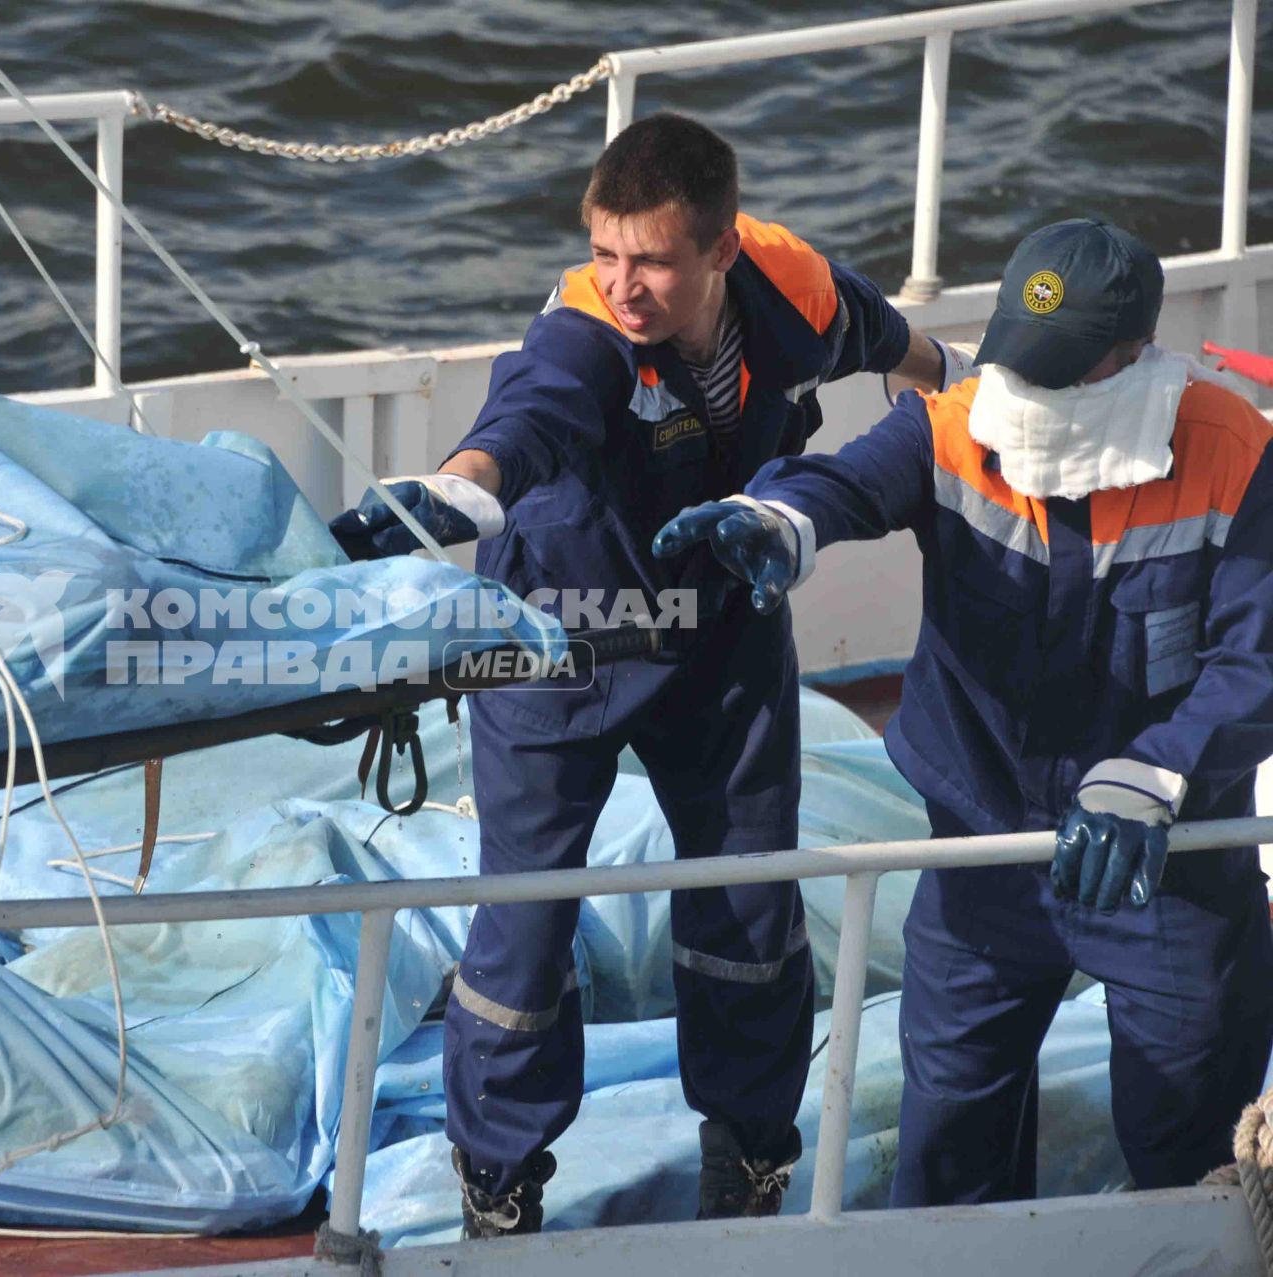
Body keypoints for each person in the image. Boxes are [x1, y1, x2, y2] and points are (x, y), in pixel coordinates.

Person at [329, 111, 960, 1235]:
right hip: (559, 641)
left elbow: (874, 330)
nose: (622, 283)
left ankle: (752, 1150)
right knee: (525, 923)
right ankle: (503, 1180)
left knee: (746, 897)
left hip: (719, 630)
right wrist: (458, 490)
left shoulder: (791, 287)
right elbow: (524, 420)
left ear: (722, 251)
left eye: (653, 260)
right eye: (605, 252)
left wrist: (956, 386)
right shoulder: (586, 332)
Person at [654, 218, 1273, 1204]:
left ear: (1132, 355)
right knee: (948, 1135)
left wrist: (1159, 769)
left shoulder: (1235, 452)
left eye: (1066, 370)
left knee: (1188, 1143)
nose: (1030, 393)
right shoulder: (954, 423)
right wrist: (777, 517)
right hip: (981, 849)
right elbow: (845, 482)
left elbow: (1258, 661)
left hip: (1170, 862)